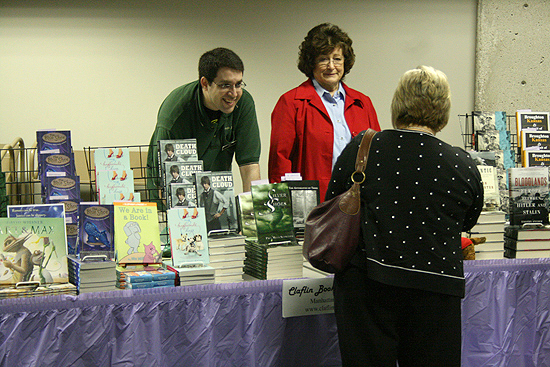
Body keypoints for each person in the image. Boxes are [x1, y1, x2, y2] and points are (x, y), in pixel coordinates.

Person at [327, 66, 484, 367]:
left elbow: (333, 205)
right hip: (436, 291)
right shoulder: (462, 164)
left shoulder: (362, 148)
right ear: (444, 111)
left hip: (367, 286)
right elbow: (468, 222)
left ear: (397, 104)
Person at [268, 23, 380, 200]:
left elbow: (376, 155)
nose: (331, 66)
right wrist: (283, 204)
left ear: (345, 62)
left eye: (337, 59)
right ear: (311, 63)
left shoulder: (363, 103)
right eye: (323, 59)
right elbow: (279, 162)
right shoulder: (290, 103)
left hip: (358, 200)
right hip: (312, 204)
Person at [147, 47, 261, 199]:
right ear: (205, 83)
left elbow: (250, 166)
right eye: (225, 85)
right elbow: (164, 180)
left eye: (238, 84)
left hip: (214, 194)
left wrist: (253, 214)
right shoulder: (175, 113)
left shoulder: (243, 104)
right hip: (173, 195)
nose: (234, 93)